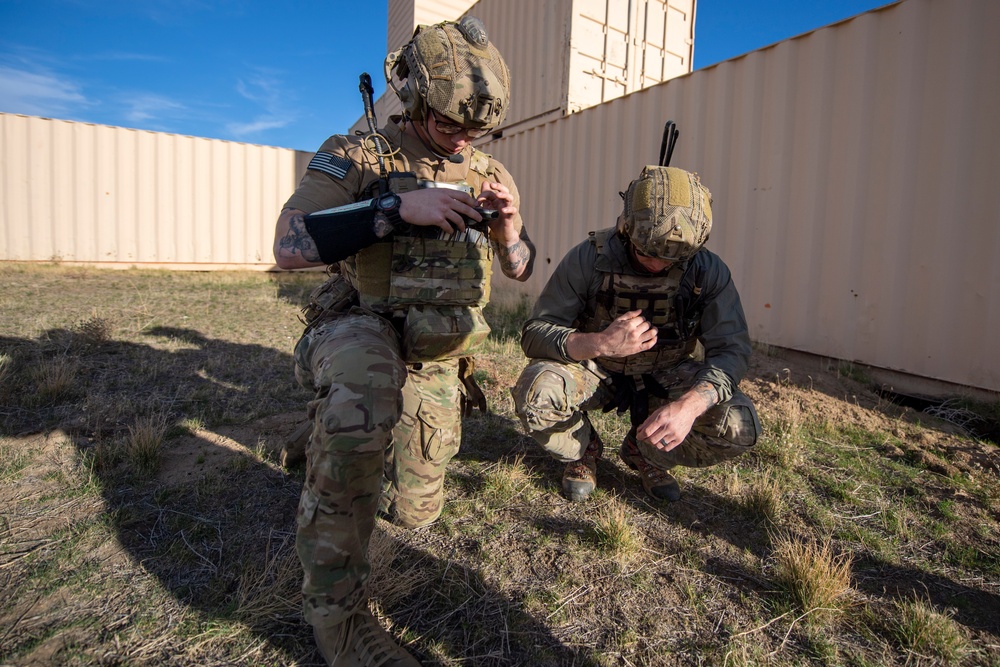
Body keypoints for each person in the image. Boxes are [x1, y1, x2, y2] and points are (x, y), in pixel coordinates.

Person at [272, 17, 534, 667]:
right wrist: (391, 211)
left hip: (438, 345)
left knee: (413, 510)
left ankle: (321, 435)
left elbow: (524, 266)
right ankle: (338, 619)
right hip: (359, 323)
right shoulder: (359, 153)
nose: (464, 138)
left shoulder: (488, 169)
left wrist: (509, 234)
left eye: (477, 130)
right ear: (413, 100)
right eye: (449, 125)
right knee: (362, 401)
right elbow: (288, 245)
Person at [512, 165, 759, 503]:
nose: (657, 265)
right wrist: (600, 342)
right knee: (537, 394)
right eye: (646, 253)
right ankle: (584, 448)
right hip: (597, 369)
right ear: (626, 229)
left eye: (671, 259)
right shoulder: (590, 257)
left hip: (666, 372)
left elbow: (732, 349)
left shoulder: (706, 269)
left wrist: (689, 406)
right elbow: (535, 334)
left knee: (738, 425)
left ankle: (645, 451)